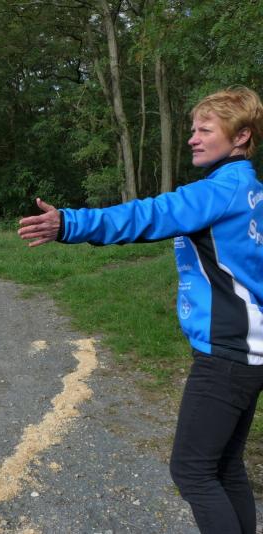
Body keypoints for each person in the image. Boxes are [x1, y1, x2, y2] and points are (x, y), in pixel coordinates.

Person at [17, 86, 263, 534]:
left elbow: (149, 214)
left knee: (192, 471)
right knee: (225, 467)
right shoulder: (251, 192)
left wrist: (69, 223)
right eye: (192, 129)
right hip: (247, 351)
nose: (192, 138)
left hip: (227, 354)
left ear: (241, 135)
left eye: (205, 130)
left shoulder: (220, 191)